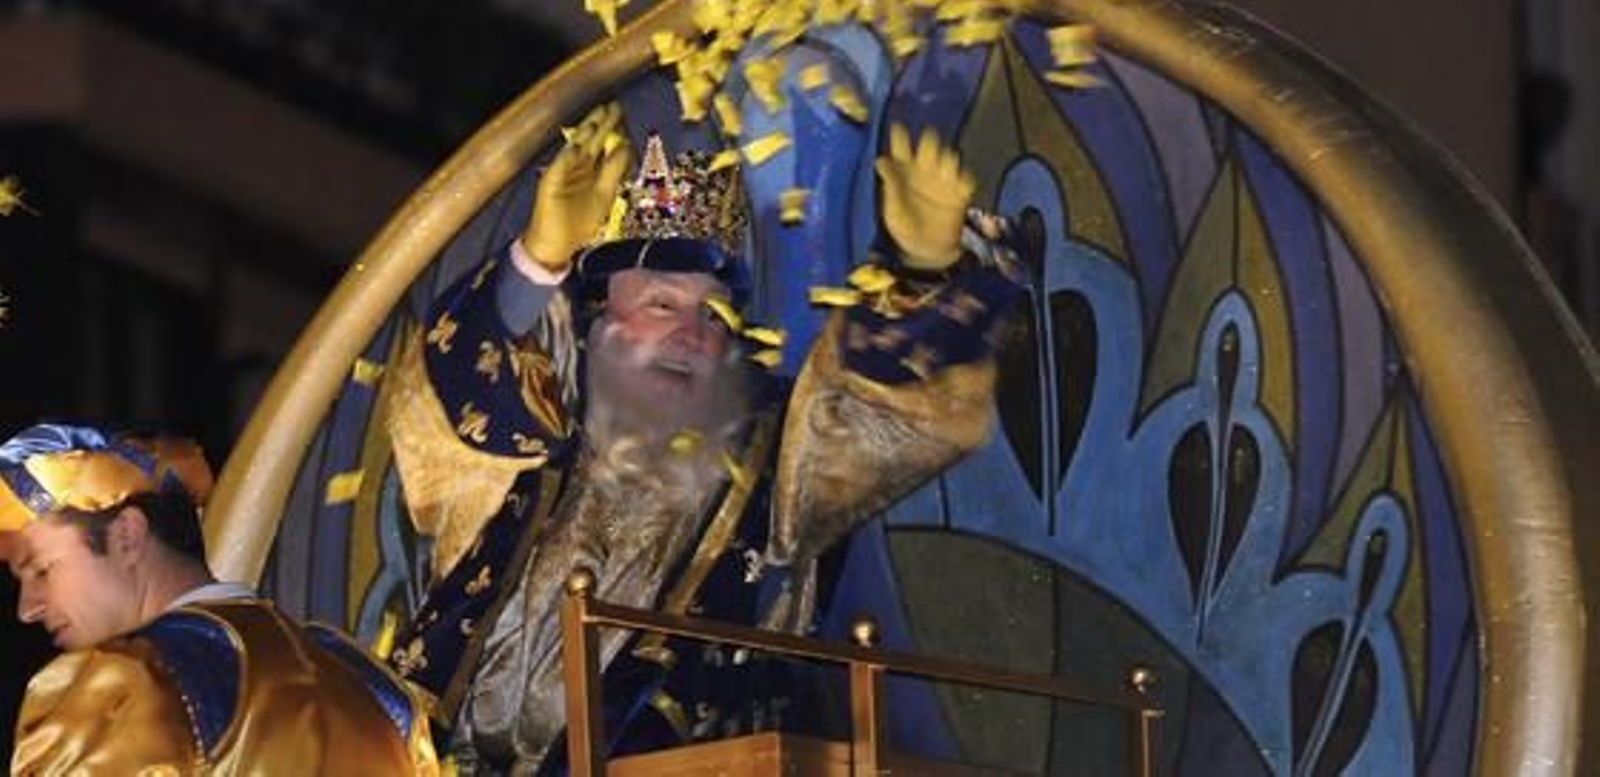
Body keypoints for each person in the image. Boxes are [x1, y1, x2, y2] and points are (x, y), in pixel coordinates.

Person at [377, 101, 1025, 773]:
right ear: (597, 323)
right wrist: (537, 263)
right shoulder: (528, 439)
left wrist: (922, 277)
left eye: (711, 315)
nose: (690, 334)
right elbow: (448, 392)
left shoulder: (770, 458)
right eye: (661, 304)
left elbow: (873, 407)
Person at [0, 421, 440, 775]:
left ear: (127, 537)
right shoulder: (373, 690)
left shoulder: (124, 684)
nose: (27, 608)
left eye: (41, 569)